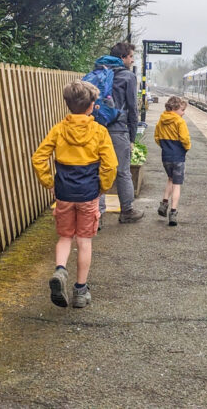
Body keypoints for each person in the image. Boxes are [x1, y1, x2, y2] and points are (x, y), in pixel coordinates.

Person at [32, 80, 118, 308]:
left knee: (65, 237)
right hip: (88, 193)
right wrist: (103, 187)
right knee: (84, 240)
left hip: (64, 192)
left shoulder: (59, 129)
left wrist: (49, 182)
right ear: (92, 105)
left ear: (68, 104)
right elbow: (110, 165)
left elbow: (38, 158)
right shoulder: (99, 131)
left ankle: (60, 270)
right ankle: (80, 290)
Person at [95, 42, 145, 224]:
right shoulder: (128, 76)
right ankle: (127, 211)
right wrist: (132, 137)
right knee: (122, 171)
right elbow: (132, 108)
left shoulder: (99, 72)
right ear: (122, 58)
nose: (132, 60)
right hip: (118, 130)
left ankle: (97, 216)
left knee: (99, 171)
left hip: (97, 128)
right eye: (131, 56)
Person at [154, 96, 191, 226]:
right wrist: (186, 148)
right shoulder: (180, 122)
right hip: (178, 156)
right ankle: (173, 212)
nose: (183, 113)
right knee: (177, 184)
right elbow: (185, 139)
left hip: (166, 156)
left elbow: (157, 137)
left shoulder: (161, 120)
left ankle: (164, 204)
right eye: (182, 110)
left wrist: (165, 147)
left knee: (170, 178)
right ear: (175, 109)